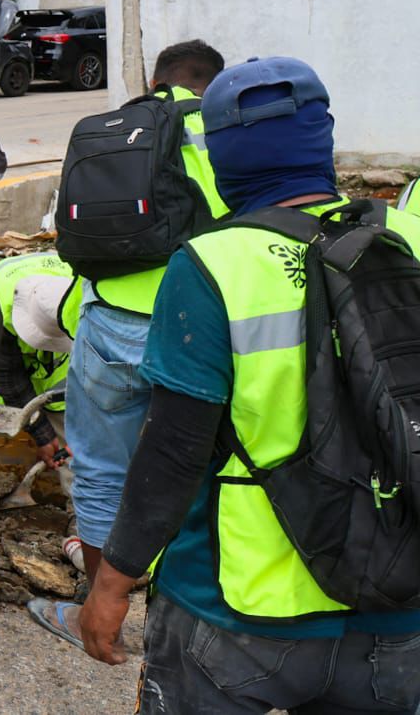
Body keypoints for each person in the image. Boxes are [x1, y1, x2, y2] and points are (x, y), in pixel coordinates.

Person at [79, 57, 420, 712]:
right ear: (321, 141)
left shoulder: (212, 264)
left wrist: (112, 581)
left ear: (225, 158)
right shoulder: (406, 239)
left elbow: (173, 451)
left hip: (236, 611)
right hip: (395, 603)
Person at [28, 39, 229, 648]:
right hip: (196, 319)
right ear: (210, 84)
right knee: (212, 465)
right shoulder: (214, 124)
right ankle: (201, 618)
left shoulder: (111, 128)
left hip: (107, 318)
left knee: (98, 470)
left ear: (155, 78)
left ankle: (102, 621)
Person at [0, 254, 82, 468]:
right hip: (2, 341)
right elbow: (9, 379)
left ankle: (75, 497)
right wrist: (43, 435)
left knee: (75, 443)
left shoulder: (81, 288)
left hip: (61, 370)